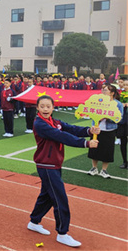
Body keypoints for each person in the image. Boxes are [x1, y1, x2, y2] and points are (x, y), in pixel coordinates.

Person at [28, 95, 99, 248]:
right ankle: (62, 233)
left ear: (53, 107)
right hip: (46, 165)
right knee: (60, 198)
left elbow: (70, 128)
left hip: (54, 163)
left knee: (47, 195)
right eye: (43, 106)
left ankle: (34, 221)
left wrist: (89, 130)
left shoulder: (54, 122)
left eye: (48, 106)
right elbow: (61, 136)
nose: (46, 109)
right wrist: (86, 143)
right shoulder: (40, 124)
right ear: (38, 108)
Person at [87, 84, 123, 178]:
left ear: (112, 93)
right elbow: (91, 111)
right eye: (103, 90)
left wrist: (107, 117)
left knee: (107, 149)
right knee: (94, 148)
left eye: (106, 90)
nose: (103, 92)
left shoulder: (117, 104)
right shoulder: (97, 101)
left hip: (109, 129)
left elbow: (119, 118)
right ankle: (94, 168)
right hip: (96, 128)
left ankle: (104, 170)